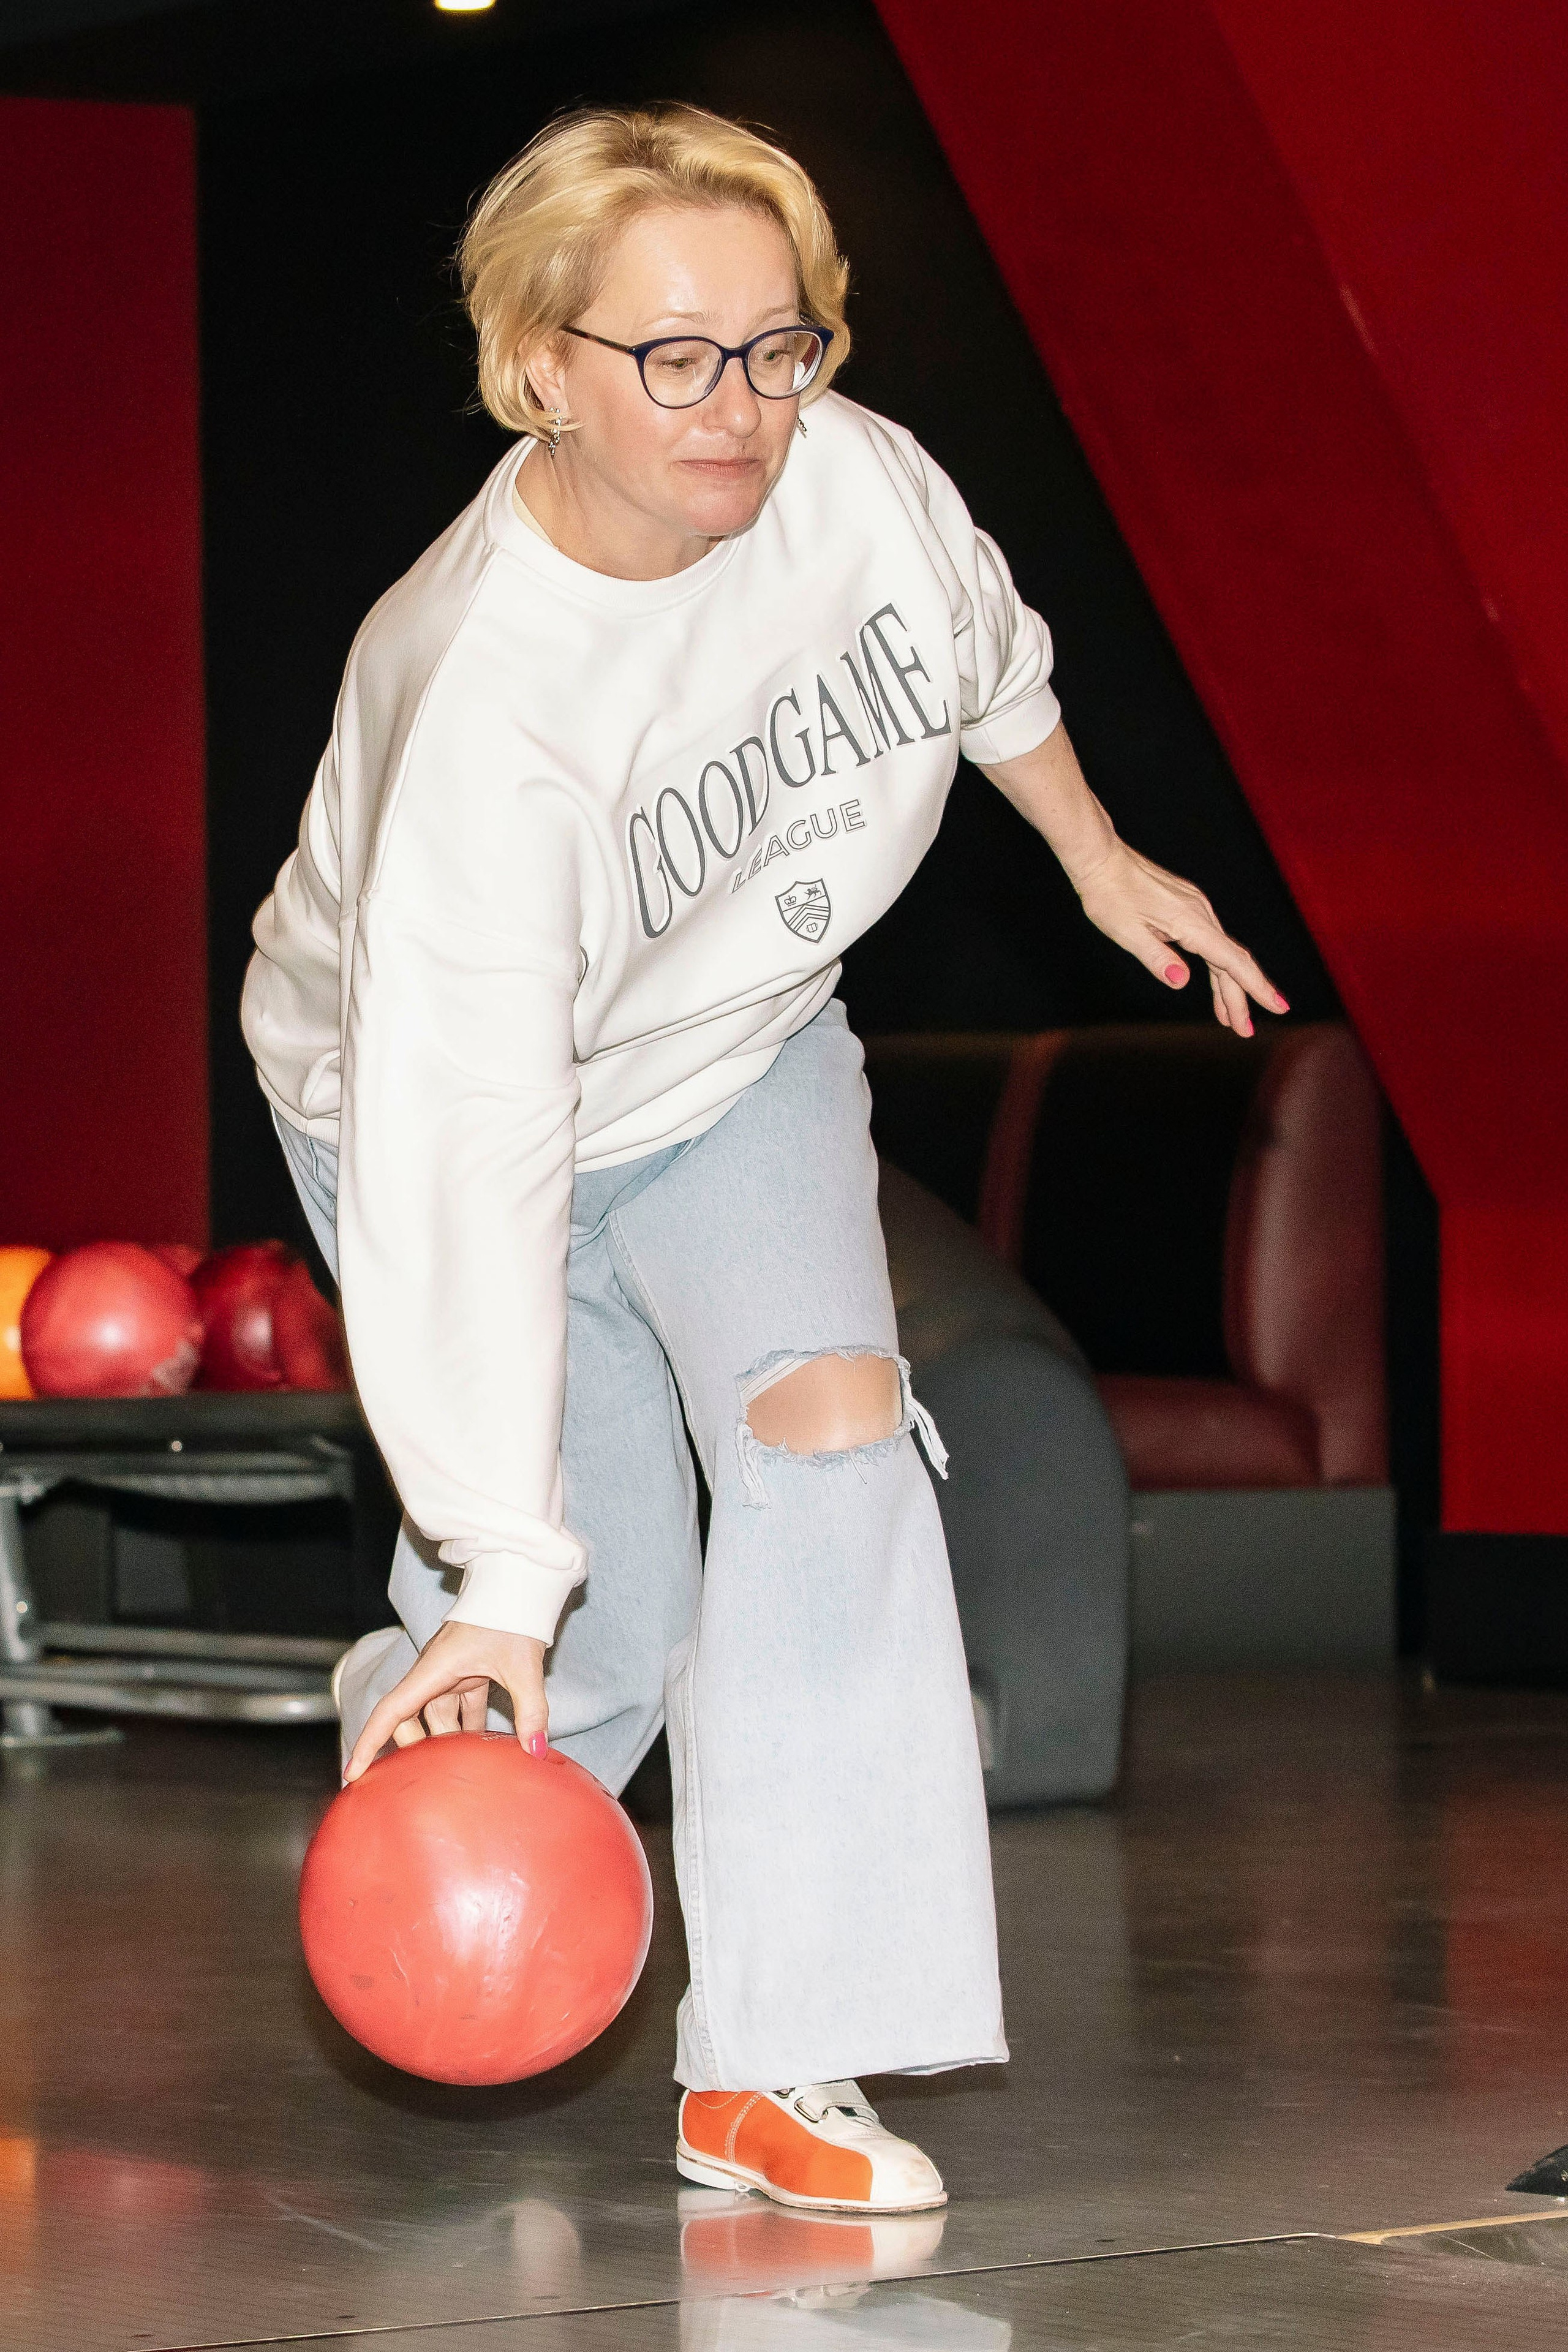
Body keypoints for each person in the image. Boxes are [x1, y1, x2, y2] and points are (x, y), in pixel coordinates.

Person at [243, 104, 1284, 2214]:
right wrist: (502, 1572)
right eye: (675, 356)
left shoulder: (857, 480)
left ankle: (777, 2065)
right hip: (445, 1103)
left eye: (781, 343)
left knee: (833, 1447)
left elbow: (987, 664)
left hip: (734, 1056)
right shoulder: (481, 704)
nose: (746, 406)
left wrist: (1096, 856)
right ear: (541, 364)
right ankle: (433, 1675)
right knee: (586, 1626)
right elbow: (464, 1151)